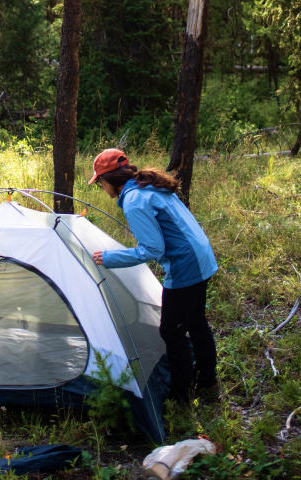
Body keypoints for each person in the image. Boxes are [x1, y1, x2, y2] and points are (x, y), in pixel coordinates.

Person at [88, 148, 219, 403]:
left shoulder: (135, 200)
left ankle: (180, 396)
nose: (101, 188)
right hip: (201, 255)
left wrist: (110, 258)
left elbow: (153, 249)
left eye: (100, 183)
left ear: (110, 180)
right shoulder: (146, 185)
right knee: (195, 321)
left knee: (171, 331)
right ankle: (207, 383)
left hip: (186, 264)